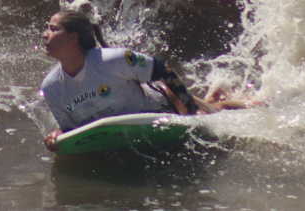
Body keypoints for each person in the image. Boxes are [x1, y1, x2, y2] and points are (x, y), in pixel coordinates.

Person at [40, 10, 255, 152]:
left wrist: (190, 109)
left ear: (73, 37)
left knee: (217, 111)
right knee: (209, 105)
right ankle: (213, 96)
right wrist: (57, 136)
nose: (44, 34)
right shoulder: (51, 86)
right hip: (125, 128)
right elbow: (70, 130)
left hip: (165, 103)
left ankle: (253, 101)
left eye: (53, 28)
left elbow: (164, 70)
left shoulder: (112, 60)